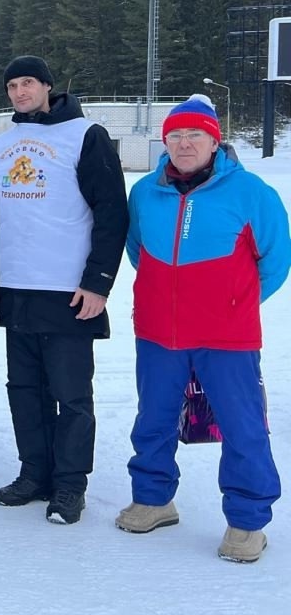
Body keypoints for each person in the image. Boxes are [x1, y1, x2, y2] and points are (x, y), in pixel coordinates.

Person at [118, 95, 290, 563]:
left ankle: (247, 520)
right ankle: (153, 499)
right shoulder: (145, 192)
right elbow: (138, 250)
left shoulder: (251, 192)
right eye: (175, 135)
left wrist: (234, 303)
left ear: (215, 140)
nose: (184, 143)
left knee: (242, 425)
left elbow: (276, 260)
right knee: (153, 418)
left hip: (226, 335)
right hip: (158, 332)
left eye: (195, 135)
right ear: (165, 141)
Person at [0, 55, 128, 525]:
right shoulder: (2, 145)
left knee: (70, 393)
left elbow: (112, 213)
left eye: (28, 82)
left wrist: (98, 282)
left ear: (48, 86)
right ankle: (34, 473)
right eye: (12, 86)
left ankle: (70, 484)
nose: (20, 92)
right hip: (17, 285)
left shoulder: (84, 135)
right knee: (23, 389)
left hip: (68, 289)